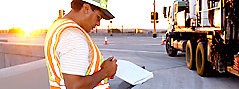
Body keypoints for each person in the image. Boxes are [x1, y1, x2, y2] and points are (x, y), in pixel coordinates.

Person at [44, 0, 117, 89]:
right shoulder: (74, 37)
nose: (98, 23)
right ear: (86, 8)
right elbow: (75, 86)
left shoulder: (59, 26)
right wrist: (105, 72)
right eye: (98, 17)